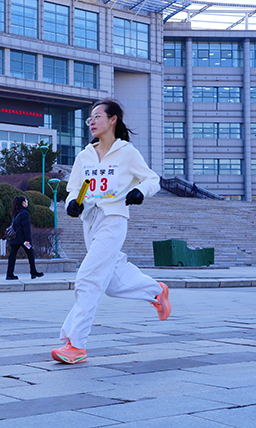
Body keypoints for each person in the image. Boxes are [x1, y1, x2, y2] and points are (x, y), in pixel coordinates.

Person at [51, 98, 171, 365]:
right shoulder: (84, 156)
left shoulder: (127, 152)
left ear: (113, 119)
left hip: (114, 219)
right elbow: (74, 188)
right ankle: (155, 291)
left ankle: (76, 344)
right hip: (90, 221)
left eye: (97, 116)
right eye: (89, 118)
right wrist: (72, 203)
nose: (92, 122)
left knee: (88, 278)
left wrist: (140, 191)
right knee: (114, 283)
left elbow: (152, 179)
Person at [6, 196, 44, 280]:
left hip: (14, 238)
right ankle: (33, 272)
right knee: (30, 254)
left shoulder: (16, 212)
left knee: (12, 256)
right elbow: (26, 227)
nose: (27, 202)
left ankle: (9, 274)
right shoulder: (24, 213)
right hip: (23, 239)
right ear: (23, 202)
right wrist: (27, 240)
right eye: (26, 201)